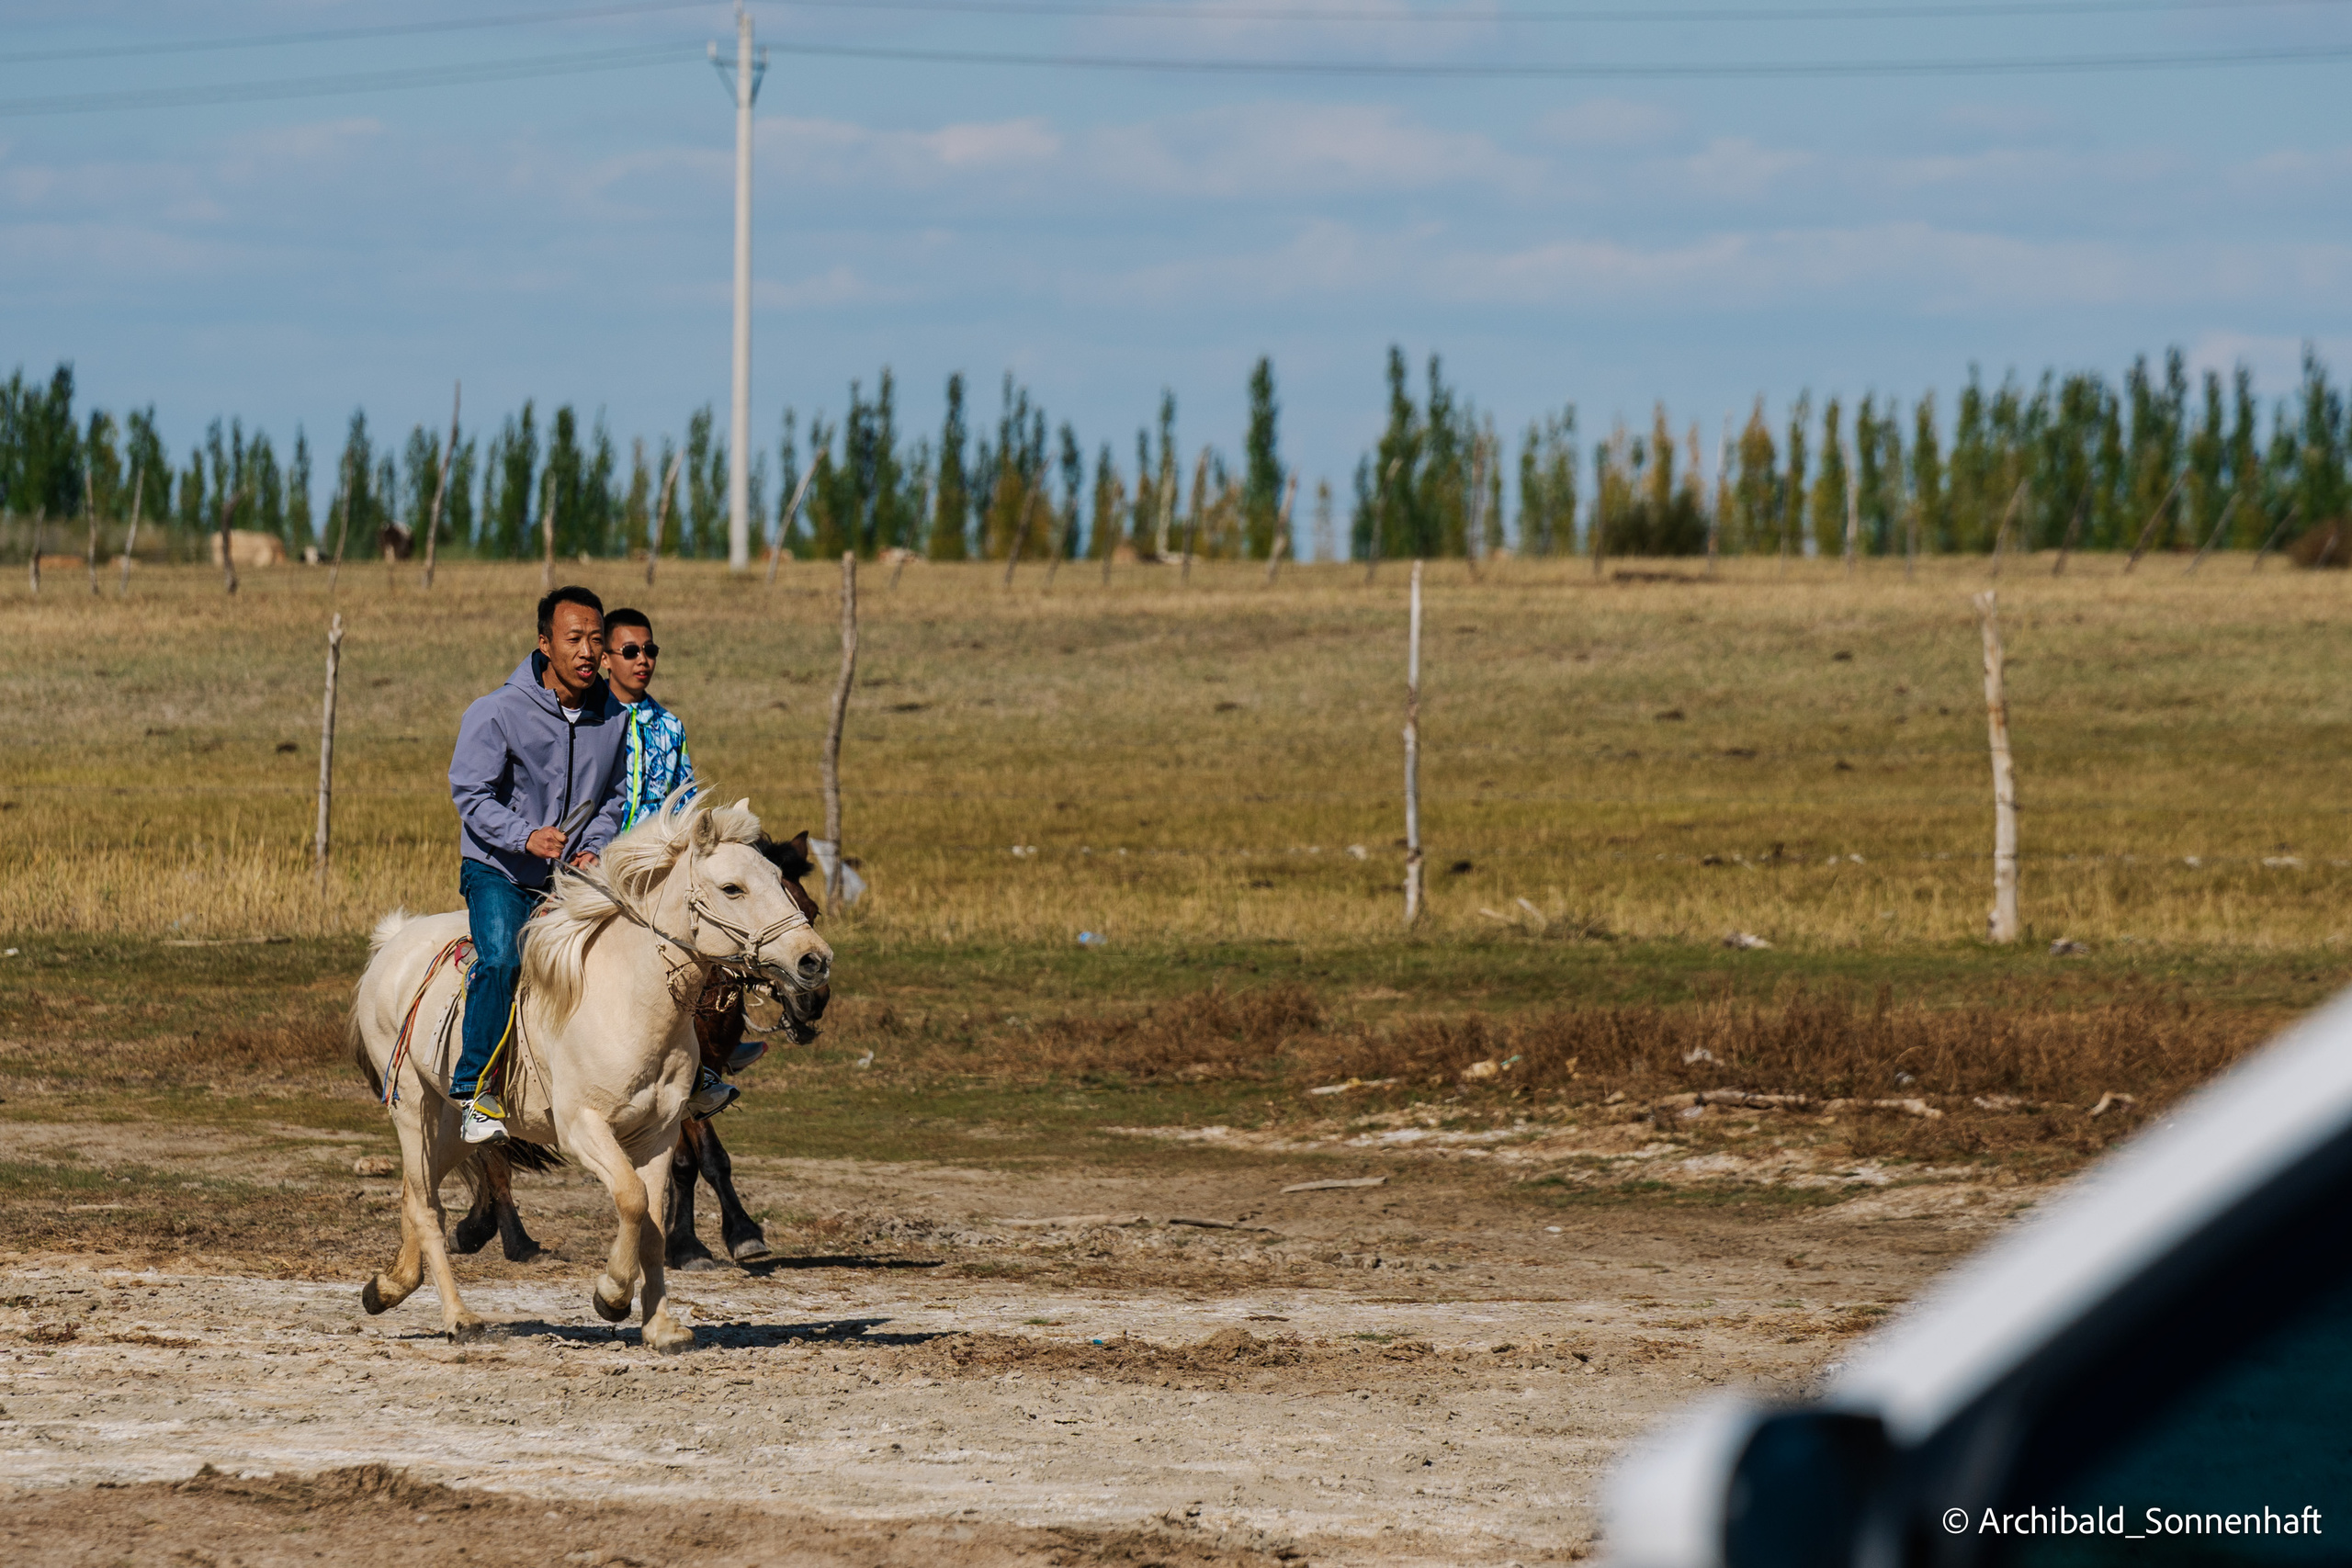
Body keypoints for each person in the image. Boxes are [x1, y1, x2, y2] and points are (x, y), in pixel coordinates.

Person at [445, 586, 731, 1144]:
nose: (585, 650)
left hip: (570, 871)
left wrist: (593, 844)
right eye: (573, 638)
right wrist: (524, 836)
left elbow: (613, 797)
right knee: (503, 959)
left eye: (595, 640)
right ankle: (474, 1087)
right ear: (544, 642)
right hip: (498, 870)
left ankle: (686, 1074)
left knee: (655, 943)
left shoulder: (610, 716)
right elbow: (471, 795)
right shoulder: (497, 711)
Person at [602, 607, 738, 1115]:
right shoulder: (590, 719)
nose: (644, 661)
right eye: (631, 651)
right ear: (606, 658)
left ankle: (703, 1058)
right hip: (600, 869)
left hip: (660, 872)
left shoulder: (669, 725)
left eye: (650, 650)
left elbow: (684, 797)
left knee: (712, 941)